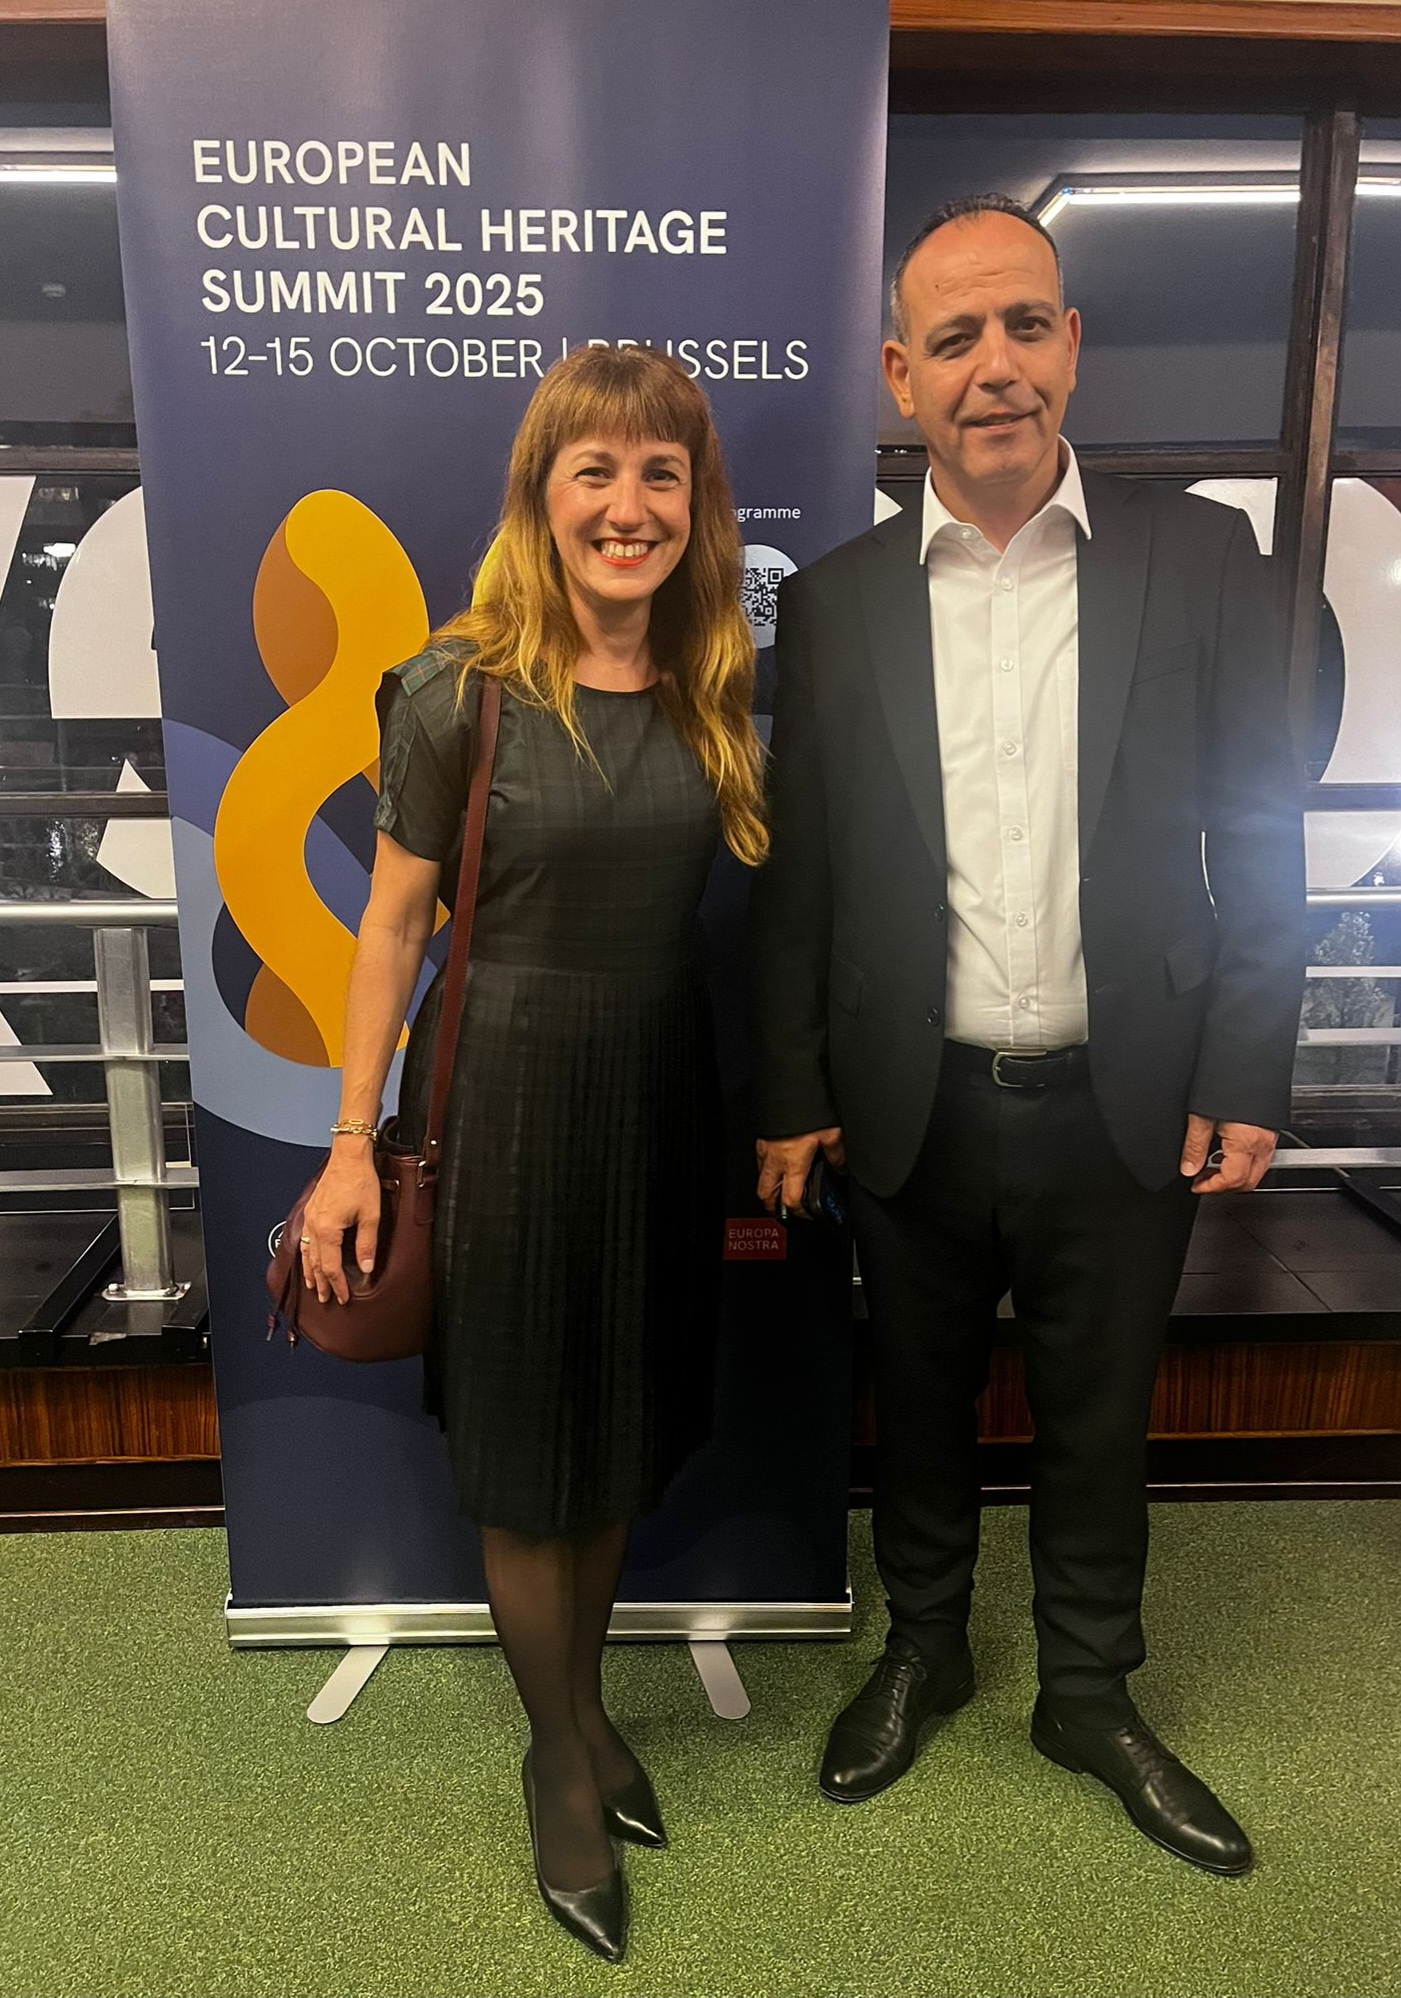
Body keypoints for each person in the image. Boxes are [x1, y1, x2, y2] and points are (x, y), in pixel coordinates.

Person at [751, 194, 1304, 1876]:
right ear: (899, 375)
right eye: (955, 338)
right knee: (914, 1402)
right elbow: (802, 871)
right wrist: (789, 1088)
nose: (993, 366)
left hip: (1125, 1092)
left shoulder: (1196, 558)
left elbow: (1258, 825)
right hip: (905, 1097)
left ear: (1071, 346)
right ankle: (924, 1647)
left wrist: (1245, 1066)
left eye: (1024, 325)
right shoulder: (835, 603)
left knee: (1096, 1413)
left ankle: (1088, 1689)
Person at [299, 344, 765, 1963]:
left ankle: (580, 1709)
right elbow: (388, 932)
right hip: (499, 1104)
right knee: (521, 1446)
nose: (628, 505)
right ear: (541, 496)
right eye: (595, 470)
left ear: (695, 503)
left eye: (660, 472)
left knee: (616, 1424)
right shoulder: (457, 692)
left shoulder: (713, 683)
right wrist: (347, 1143)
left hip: (660, 1101)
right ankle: (560, 1756)